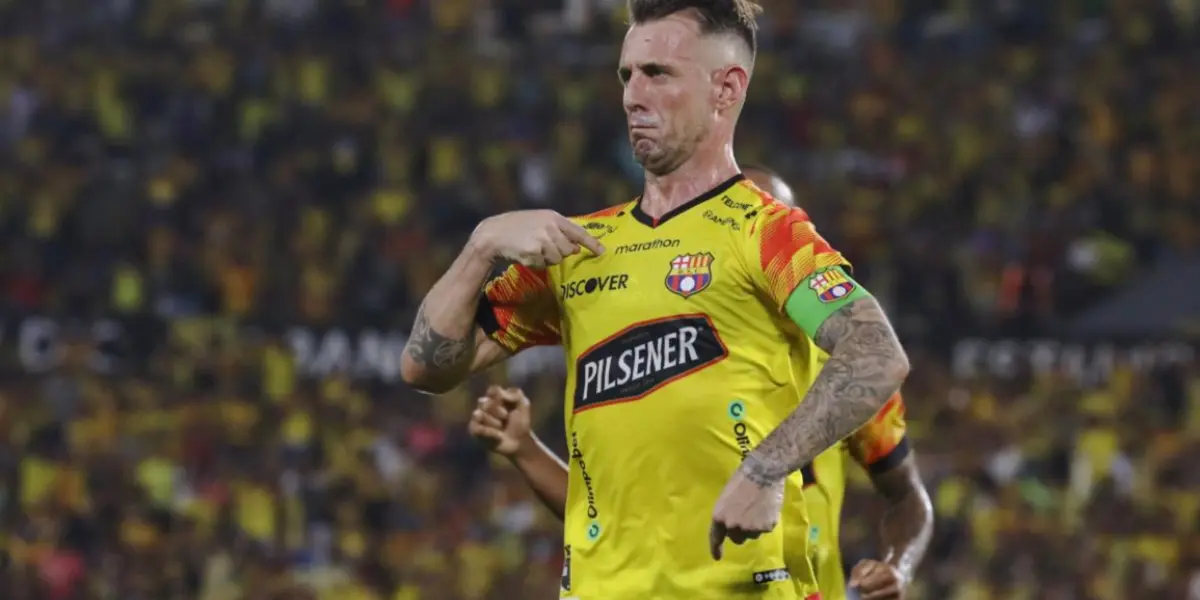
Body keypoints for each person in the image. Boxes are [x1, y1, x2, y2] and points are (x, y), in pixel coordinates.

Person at [400, 1, 910, 598]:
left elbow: (876, 353)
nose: (632, 96)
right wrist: (481, 245)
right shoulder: (580, 248)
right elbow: (426, 366)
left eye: (657, 74)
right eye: (627, 75)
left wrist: (765, 469)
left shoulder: (764, 231)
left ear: (726, 89)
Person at [467, 168, 934, 600]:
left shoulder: (850, 377)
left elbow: (907, 497)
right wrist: (525, 450)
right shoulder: (666, 364)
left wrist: (898, 565)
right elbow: (612, 520)